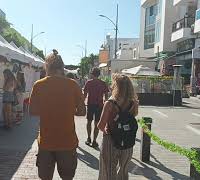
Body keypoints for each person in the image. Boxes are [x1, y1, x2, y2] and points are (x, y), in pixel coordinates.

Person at [30, 49, 86, 180]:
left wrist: (48, 110)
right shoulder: (73, 85)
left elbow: (32, 111)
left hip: (46, 143)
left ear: (47, 67)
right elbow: (82, 111)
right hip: (67, 142)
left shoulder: (38, 85)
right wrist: (67, 110)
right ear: (62, 67)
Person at [97, 74, 139, 180]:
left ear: (116, 86)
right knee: (123, 171)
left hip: (111, 140)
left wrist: (106, 128)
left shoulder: (110, 103)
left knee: (109, 171)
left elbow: (101, 125)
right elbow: (131, 117)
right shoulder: (133, 103)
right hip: (127, 141)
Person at [83, 68, 109, 148]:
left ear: (92, 74)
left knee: (89, 122)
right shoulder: (103, 83)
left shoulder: (88, 83)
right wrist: (105, 103)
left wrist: (82, 103)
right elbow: (106, 96)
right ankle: (94, 141)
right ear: (99, 74)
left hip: (90, 104)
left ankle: (88, 138)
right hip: (99, 105)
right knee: (96, 123)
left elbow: (85, 95)